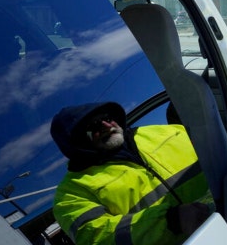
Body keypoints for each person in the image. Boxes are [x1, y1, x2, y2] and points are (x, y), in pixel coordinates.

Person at [51, 102, 214, 245]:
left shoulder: (164, 132)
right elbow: (97, 238)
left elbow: (218, 149)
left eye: (107, 118)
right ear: (76, 141)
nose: (108, 126)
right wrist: (171, 221)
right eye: (95, 126)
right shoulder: (70, 194)